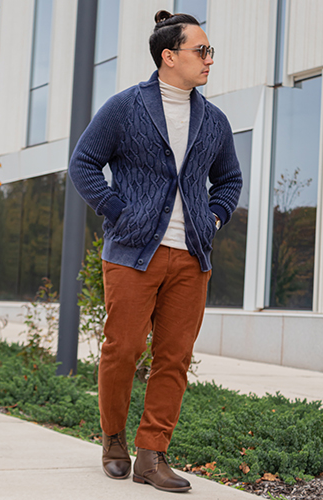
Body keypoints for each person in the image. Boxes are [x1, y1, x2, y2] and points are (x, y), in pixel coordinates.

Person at [69, 10, 242, 493]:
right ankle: (113, 440)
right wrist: (116, 210)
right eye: (201, 50)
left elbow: (229, 179)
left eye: (210, 51)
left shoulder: (214, 119)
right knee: (122, 350)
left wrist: (213, 217)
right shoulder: (125, 108)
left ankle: (152, 455)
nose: (210, 59)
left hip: (191, 257)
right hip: (132, 253)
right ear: (170, 56)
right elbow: (83, 162)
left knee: (174, 357)